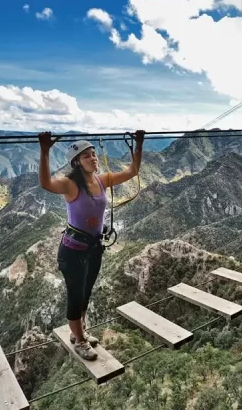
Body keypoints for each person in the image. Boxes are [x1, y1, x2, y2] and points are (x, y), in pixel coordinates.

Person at [38, 130, 145, 360]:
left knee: (86, 294)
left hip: (94, 248)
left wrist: (138, 144)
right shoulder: (69, 184)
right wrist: (45, 151)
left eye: (94, 154)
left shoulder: (102, 179)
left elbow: (132, 171)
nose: (93, 158)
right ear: (76, 162)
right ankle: (79, 340)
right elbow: (46, 183)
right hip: (73, 251)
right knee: (75, 296)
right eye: (87, 156)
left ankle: (80, 333)